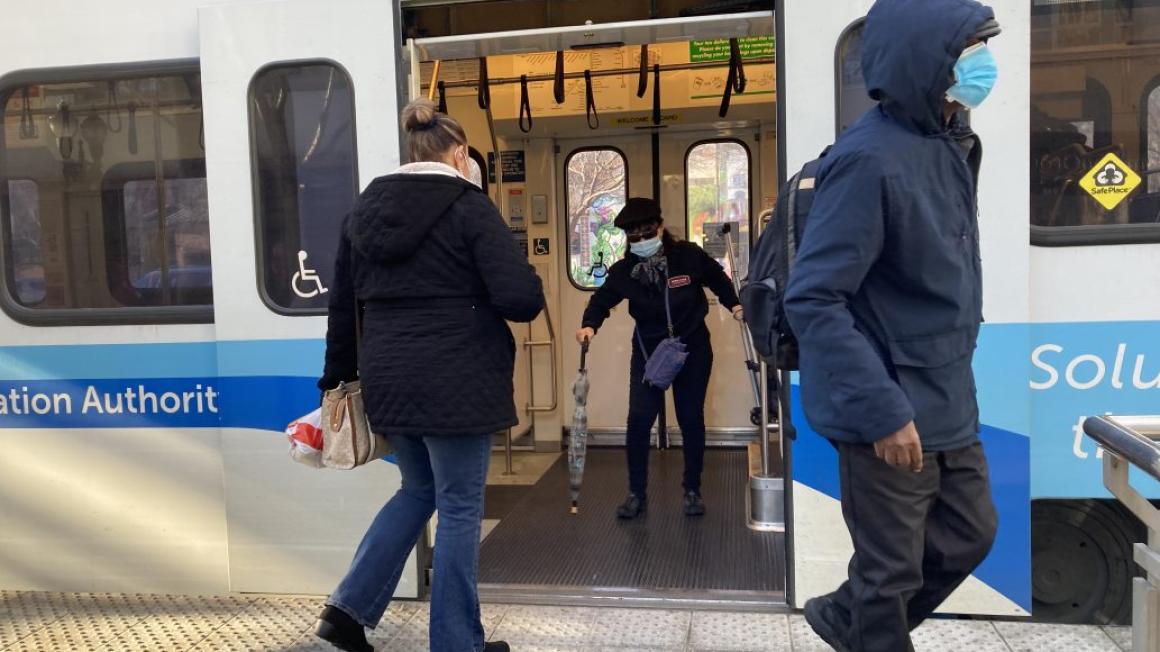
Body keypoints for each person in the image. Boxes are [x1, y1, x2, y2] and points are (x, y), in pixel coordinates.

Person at [783, 1, 1001, 650]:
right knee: (890, 575)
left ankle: (844, 620)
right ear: (924, 61)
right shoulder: (868, 160)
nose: (984, 67)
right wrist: (881, 411)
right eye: (970, 53)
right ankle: (866, 624)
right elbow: (815, 296)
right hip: (890, 402)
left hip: (947, 392)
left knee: (972, 533)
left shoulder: (948, 140)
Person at [313, 99, 543, 652]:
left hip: (390, 380)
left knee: (418, 490)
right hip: (456, 381)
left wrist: (333, 383)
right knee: (461, 505)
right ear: (460, 154)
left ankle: (346, 613)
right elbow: (520, 300)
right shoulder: (470, 207)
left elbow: (344, 311)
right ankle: (456, 643)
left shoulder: (361, 215)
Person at [575, 198, 742, 519]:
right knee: (639, 419)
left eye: (645, 234)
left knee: (690, 416)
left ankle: (692, 488)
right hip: (650, 352)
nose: (640, 242)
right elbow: (601, 300)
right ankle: (636, 492)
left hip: (691, 347)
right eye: (633, 238)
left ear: (660, 228)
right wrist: (588, 326)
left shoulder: (688, 257)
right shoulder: (625, 271)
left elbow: (718, 279)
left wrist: (735, 305)